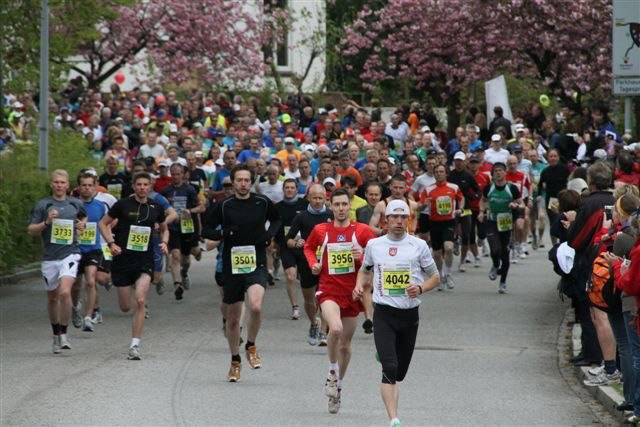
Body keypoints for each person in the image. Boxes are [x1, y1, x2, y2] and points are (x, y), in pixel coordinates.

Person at [354, 200, 440, 427]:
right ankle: (394, 419)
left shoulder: (418, 246)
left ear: (409, 219)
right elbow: (364, 270)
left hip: (409, 316)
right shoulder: (374, 245)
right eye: (395, 217)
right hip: (383, 314)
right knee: (390, 368)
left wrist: (420, 288)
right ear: (387, 219)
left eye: (404, 217)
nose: (399, 221)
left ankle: (385, 355)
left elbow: (435, 277)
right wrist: (358, 285)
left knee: (400, 373)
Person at [202, 164, 281, 382]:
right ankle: (235, 360)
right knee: (234, 318)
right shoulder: (224, 205)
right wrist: (222, 232)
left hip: (256, 261)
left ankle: (251, 345)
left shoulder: (261, 202)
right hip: (232, 265)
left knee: (255, 305)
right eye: (239, 180)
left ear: (252, 182)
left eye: (247, 180)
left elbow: (277, 219)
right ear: (233, 182)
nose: (243, 184)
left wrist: (269, 235)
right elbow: (206, 230)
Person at [303, 188, 375, 414]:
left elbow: (374, 259)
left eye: (345, 205)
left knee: (345, 345)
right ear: (330, 206)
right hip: (329, 290)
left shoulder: (362, 231)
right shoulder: (321, 230)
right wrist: (313, 263)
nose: (341, 209)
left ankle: (338, 388)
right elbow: (308, 247)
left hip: (352, 293)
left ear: (349, 207)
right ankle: (332, 373)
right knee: (335, 328)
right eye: (337, 205)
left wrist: (361, 257)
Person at [98, 172, 169, 360]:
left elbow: (164, 227)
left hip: (144, 260)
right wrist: (111, 243)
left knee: (139, 300)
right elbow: (102, 224)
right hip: (122, 259)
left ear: (150, 186)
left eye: (146, 184)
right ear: (133, 185)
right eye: (139, 184)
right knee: (124, 307)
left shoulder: (156, 206)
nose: (142, 188)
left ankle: (134, 345)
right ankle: (113, 280)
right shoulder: (122, 204)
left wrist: (164, 242)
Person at [28, 170, 87, 354]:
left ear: (68, 185)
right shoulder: (43, 204)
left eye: (63, 182)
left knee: (64, 292)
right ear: (51, 184)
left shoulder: (75, 203)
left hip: (70, 254)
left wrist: (81, 225)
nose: (59, 185)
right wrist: (46, 222)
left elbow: (84, 217)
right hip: (49, 258)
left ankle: (64, 334)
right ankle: (55, 334)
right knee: (52, 297)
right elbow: (31, 230)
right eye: (56, 182)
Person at [287, 184, 333, 346]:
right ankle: (314, 323)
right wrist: (296, 242)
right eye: (314, 198)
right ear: (308, 198)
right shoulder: (302, 217)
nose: (318, 201)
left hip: (327, 263)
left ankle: (323, 332)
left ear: (326, 198)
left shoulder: (331, 215)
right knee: (309, 299)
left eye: (321, 198)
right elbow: (289, 239)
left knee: (325, 298)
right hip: (307, 262)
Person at [478, 162, 523, 293]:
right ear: (493, 174)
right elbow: (483, 200)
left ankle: (503, 282)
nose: (498, 173)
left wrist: (515, 206)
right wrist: (481, 212)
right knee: (494, 249)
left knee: (505, 253)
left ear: (505, 173)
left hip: (506, 223)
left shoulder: (512, 188)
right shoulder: (488, 188)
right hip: (492, 221)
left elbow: (522, 204)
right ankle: (495, 264)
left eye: (501, 171)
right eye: (496, 171)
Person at [162, 163, 205, 299]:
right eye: (173, 174)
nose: (175, 176)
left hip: (187, 227)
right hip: (173, 228)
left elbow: (201, 207)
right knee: (175, 255)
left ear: (183, 174)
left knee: (187, 258)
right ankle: (178, 284)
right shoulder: (166, 191)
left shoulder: (190, 190)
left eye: (178, 174)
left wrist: (190, 210)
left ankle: (184, 273)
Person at [75, 172, 110, 332]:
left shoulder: (99, 206)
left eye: (90, 185)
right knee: (75, 286)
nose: (87, 188)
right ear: (79, 187)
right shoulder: (73, 205)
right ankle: (76, 307)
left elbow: (105, 225)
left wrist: (111, 243)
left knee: (90, 281)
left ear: (95, 186)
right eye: (84, 185)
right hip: (75, 250)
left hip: (94, 249)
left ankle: (88, 317)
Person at [420, 164, 464, 290]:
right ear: (434, 174)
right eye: (437, 172)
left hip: (449, 222)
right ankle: (440, 275)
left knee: (449, 247)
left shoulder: (453, 187)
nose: (439, 174)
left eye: (441, 171)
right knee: (437, 254)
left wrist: (460, 209)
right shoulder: (428, 189)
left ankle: (448, 274)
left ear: (446, 173)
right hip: (434, 223)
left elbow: (461, 198)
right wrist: (424, 205)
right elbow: (421, 206)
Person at [275, 179, 309, 320]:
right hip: (286, 246)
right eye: (287, 187)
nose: (289, 190)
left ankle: (311, 302)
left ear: (296, 189)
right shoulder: (277, 207)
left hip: (304, 246)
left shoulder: (305, 205)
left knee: (306, 279)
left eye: (292, 187)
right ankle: (295, 307)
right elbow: (274, 226)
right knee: (290, 276)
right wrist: (274, 242)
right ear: (283, 189)